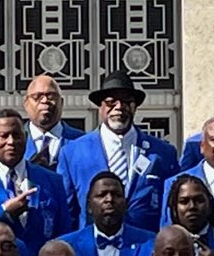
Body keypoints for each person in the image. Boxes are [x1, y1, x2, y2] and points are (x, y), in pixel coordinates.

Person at [59, 68, 181, 231]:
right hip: (91, 247)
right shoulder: (72, 153)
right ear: (100, 107)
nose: (119, 107)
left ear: (135, 107)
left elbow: (171, 208)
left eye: (126, 102)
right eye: (111, 102)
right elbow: (66, 212)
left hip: (145, 248)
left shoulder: (162, 153)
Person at [0, 108, 74, 251]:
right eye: (3, 136)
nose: (11, 141)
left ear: (25, 137)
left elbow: (64, 234)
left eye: (16, 135)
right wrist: (4, 211)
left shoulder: (51, 180)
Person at [23, 74, 83, 170]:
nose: (45, 100)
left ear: (61, 102)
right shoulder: (11, 141)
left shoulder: (81, 141)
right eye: (37, 96)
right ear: (26, 104)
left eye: (51, 96)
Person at [163, 172, 214, 256]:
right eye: (184, 202)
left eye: (199, 200)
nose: (192, 207)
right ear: (174, 208)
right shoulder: (162, 246)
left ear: (210, 204)